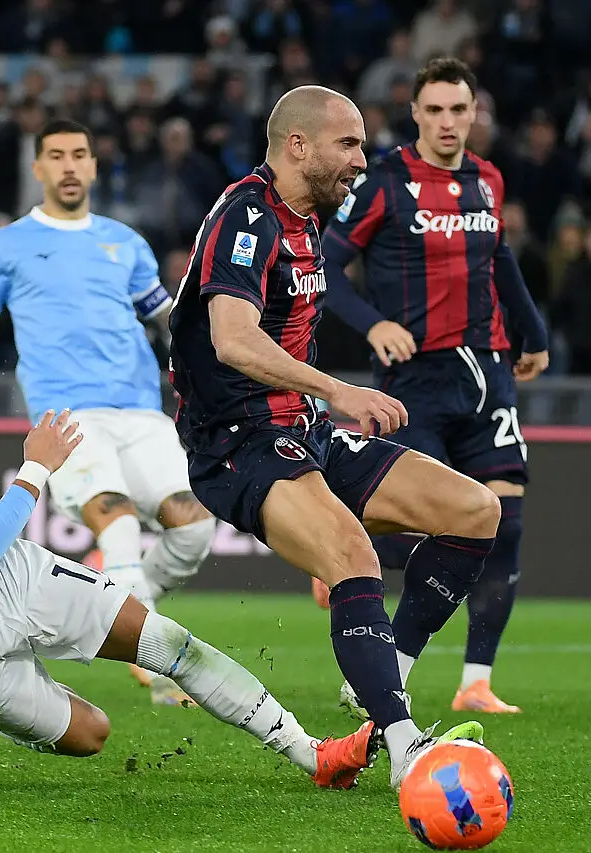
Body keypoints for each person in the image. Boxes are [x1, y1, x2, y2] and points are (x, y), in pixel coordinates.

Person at [0, 172, 378, 786]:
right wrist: (37, 465)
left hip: (14, 572)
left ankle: (313, 754)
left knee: (168, 642)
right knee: (92, 734)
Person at [168, 85, 491, 791]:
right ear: (297, 145)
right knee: (351, 553)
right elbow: (231, 339)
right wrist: (339, 388)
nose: (362, 158)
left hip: (303, 434)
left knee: (476, 511)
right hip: (239, 444)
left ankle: (385, 682)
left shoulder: (307, 221)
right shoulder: (246, 215)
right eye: (348, 143)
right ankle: (406, 744)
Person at [0, 120, 216, 706]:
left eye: (80, 154)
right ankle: (158, 670)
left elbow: (167, 322)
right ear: (38, 169)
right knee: (122, 523)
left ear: (94, 165)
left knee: (196, 528)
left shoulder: (125, 241)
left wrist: (215, 370)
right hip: (68, 416)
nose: (69, 165)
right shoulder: (5, 244)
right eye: (56, 156)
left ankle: (117, 597)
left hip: (141, 408)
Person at [320, 57, 550, 715]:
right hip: (413, 381)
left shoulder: (488, 181)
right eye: (436, 110)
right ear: (416, 114)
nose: (450, 122)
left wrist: (532, 335)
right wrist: (373, 324)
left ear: (475, 113)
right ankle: (329, 536)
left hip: (486, 375)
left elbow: (499, 259)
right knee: (416, 530)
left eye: (461, 109)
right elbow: (327, 268)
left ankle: (470, 679)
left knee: (503, 521)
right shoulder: (384, 182)